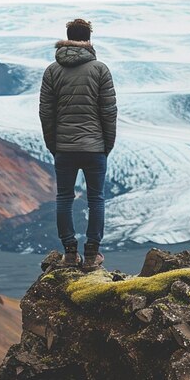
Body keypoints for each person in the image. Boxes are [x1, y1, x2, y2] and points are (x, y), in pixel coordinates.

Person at [39, 18, 117, 271]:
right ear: (89, 39)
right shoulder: (100, 69)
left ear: (67, 36)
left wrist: (54, 144)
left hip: (64, 148)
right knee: (96, 199)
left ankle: (70, 253)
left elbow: (46, 113)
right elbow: (109, 112)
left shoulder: (52, 70)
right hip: (95, 148)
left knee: (64, 198)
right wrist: (106, 144)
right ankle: (93, 254)